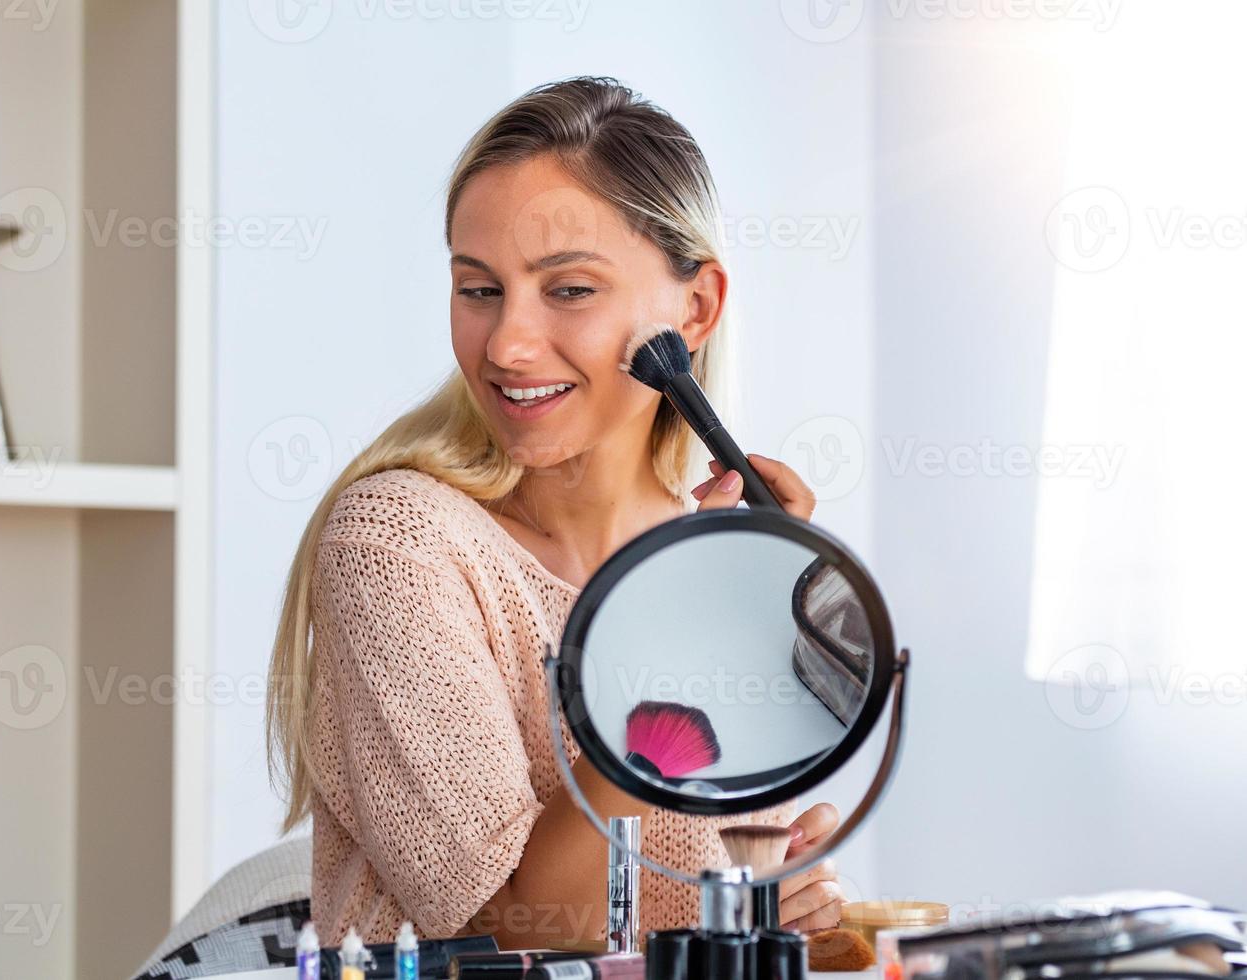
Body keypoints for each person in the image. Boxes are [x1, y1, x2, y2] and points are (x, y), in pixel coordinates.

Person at [266, 75, 844, 950]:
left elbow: (695, 908)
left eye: (569, 290)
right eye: (480, 289)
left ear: (696, 309)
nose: (506, 344)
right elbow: (524, 932)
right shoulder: (397, 546)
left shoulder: (726, 563)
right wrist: (686, 638)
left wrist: (789, 911)